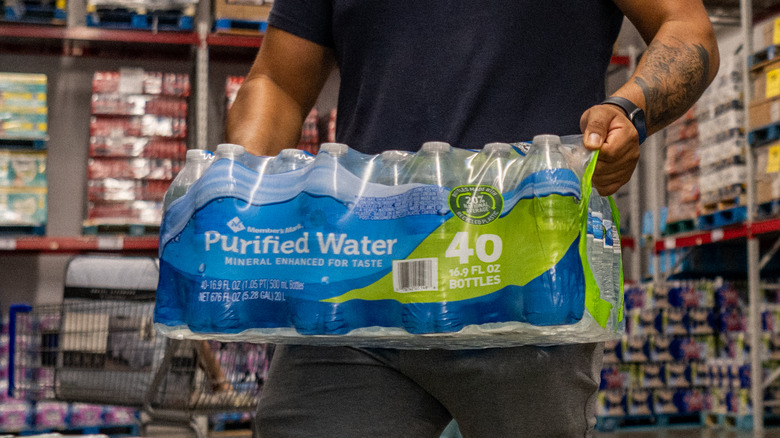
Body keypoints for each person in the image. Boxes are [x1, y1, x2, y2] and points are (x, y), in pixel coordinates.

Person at [226, 1, 719, 436]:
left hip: (526, 281)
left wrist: (628, 109)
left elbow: (684, 26)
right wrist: (236, 188)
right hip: (359, 279)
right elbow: (278, 80)